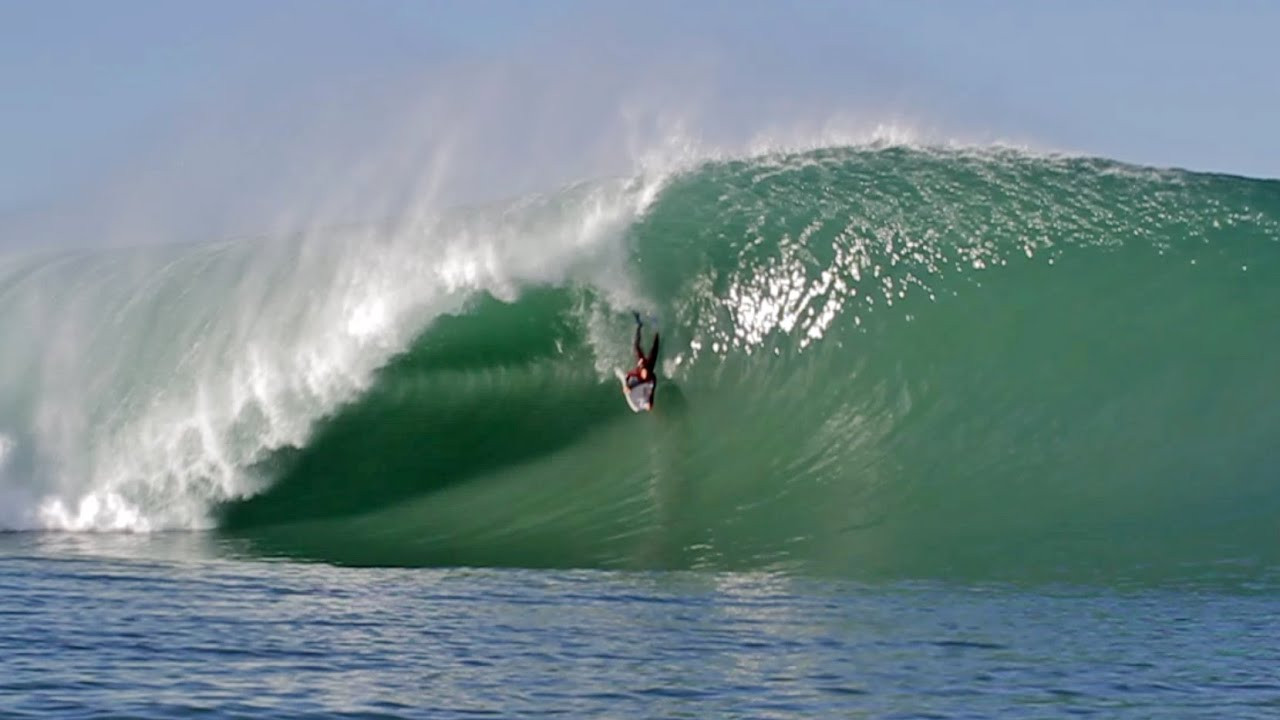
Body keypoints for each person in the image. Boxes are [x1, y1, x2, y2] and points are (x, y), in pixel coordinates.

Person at [624, 312, 660, 408]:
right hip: (646, 364)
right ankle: (640, 325)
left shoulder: (650, 377)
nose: (645, 374)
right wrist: (627, 387)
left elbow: (652, 393)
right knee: (637, 347)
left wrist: (650, 403)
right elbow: (627, 377)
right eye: (644, 373)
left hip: (649, 364)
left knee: (654, 346)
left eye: (645, 374)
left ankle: (650, 326)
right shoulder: (638, 373)